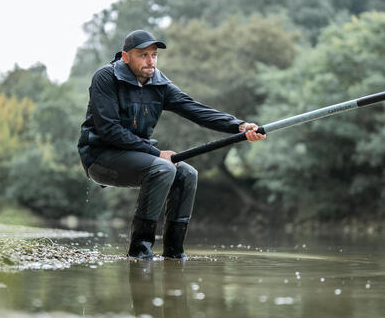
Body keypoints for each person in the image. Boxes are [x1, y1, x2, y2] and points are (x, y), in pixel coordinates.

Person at [78, 29, 266, 259]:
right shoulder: (106, 77)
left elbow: (195, 109)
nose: (150, 61)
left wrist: (239, 126)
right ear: (126, 57)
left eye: (154, 55)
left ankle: (174, 254)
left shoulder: (160, 83)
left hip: (138, 157)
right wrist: (156, 153)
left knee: (187, 174)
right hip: (100, 157)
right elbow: (108, 129)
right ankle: (140, 253)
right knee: (163, 167)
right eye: (143, 55)